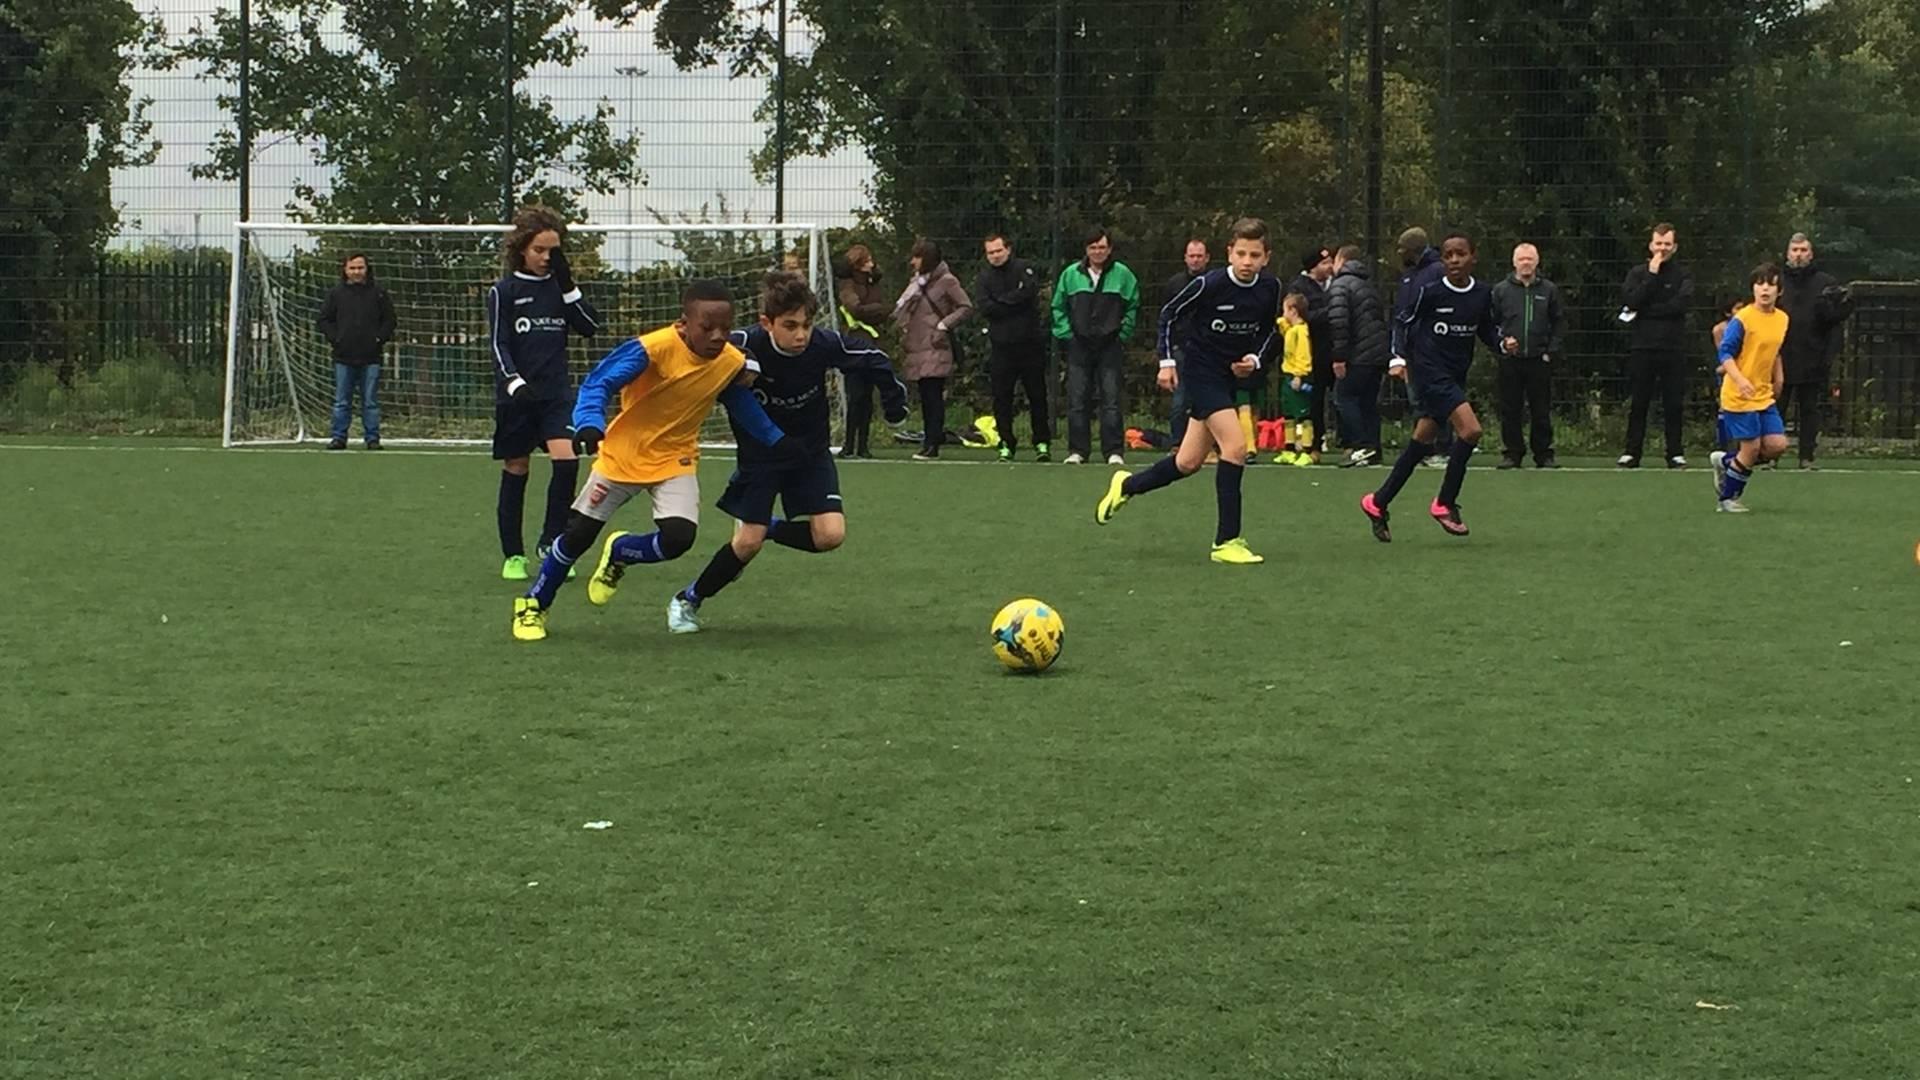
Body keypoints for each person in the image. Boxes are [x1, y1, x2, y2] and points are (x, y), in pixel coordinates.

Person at [508, 280, 798, 641]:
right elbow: (599, 382)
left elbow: (738, 402)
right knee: (577, 536)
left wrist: (776, 440)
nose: (717, 336)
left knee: (679, 538)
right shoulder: (653, 349)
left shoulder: (730, 361)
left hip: (675, 459)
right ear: (684, 323)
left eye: (725, 327)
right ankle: (534, 604)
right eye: (707, 328)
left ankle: (621, 551)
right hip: (623, 456)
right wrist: (588, 423)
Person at [666, 273, 909, 632]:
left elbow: (872, 357)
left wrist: (894, 403)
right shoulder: (741, 343)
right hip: (761, 457)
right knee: (746, 543)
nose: (800, 335)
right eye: (790, 326)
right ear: (767, 323)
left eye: (807, 325)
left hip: (810, 453)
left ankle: (772, 529)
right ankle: (688, 599)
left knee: (830, 536)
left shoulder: (823, 345)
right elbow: (689, 346)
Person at [1094, 217, 1280, 565]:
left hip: (1228, 377)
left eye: (1255, 255)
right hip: (1200, 372)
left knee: (1188, 461)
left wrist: (1254, 359)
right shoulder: (1208, 285)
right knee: (1236, 447)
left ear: (1266, 257)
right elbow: (1168, 314)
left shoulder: (1270, 288)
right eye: (1241, 253)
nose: (1247, 262)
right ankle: (1227, 541)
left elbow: (1272, 332)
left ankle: (1127, 485)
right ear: (1229, 253)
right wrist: (1166, 362)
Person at [1361, 233, 1512, 542]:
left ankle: (1378, 502)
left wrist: (1502, 344)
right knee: (1471, 431)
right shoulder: (1429, 291)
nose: (1454, 260)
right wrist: (1397, 357)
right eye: (1448, 255)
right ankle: (1444, 502)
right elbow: (1402, 322)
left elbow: (1486, 329)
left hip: (1455, 373)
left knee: (1422, 440)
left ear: (1473, 257)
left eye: (1460, 254)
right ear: (1442, 260)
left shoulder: (1482, 294)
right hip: (1429, 371)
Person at [487, 205, 601, 581]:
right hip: (518, 397)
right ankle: (513, 554)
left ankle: (551, 541)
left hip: (556, 395)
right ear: (522, 248)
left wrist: (569, 288)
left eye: (554, 251)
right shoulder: (503, 291)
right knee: (517, 467)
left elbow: (588, 326)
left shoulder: (560, 288)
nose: (547, 257)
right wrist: (513, 382)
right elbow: (498, 343)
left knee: (567, 462)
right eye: (540, 250)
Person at [1052, 227, 1141, 465]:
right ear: (1086, 249)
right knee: (1077, 399)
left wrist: (1123, 333)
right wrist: (1067, 335)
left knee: (1111, 399)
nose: (1098, 252)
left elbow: (1133, 305)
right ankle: (1078, 451)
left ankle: (1113, 451)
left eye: (1102, 247)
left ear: (1109, 248)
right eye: (1093, 247)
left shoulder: (1123, 274)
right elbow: (1058, 306)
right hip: (1078, 345)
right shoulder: (1070, 274)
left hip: (1110, 345)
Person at [1709, 265, 1791, 512]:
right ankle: (1727, 498)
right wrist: (1740, 379)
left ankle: (1726, 463)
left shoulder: (1782, 319)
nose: (1765, 288)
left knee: (1777, 445)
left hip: (1763, 395)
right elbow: (1725, 353)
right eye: (1760, 283)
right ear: (1753, 289)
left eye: (1771, 284)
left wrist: (1778, 379)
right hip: (1739, 395)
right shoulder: (1742, 319)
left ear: (1779, 291)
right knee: (1751, 448)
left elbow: (1772, 353)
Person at [1617, 222, 1695, 469]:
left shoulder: (1683, 275)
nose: (1662, 248)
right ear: (1651, 245)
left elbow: (1680, 306)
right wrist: (1651, 276)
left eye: (1667, 244)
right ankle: (1632, 452)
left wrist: (1648, 310)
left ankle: (1675, 453)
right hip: (1643, 347)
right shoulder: (1638, 273)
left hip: (1673, 348)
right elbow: (1631, 300)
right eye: (1658, 244)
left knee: (1673, 403)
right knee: (1639, 402)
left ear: (1675, 246)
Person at [1776, 232, 1855, 469]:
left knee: (1810, 409)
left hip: (1814, 355)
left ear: (1811, 253)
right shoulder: (1776, 280)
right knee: (1776, 409)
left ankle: (1806, 457)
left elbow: (1835, 318)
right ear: (1787, 253)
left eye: (1803, 250)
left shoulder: (1825, 282)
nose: (1799, 255)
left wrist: (1845, 304)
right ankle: (1771, 456)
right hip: (1781, 357)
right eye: (1795, 250)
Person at [892, 238, 974, 460]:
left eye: (917, 257)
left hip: (935, 347)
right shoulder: (917, 283)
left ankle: (932, 444)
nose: (913, 262)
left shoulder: (947, 281)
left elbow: (965, 307)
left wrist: (943, 325)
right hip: (916, 347)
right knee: (926, 397)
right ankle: (930, 440)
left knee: (933, 396)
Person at [975, 234, 1053, 461]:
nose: (995, 256)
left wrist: (1002, 301)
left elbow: (1027, 295)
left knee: (1037, 396)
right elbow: (985, 307)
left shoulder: (1023, 268)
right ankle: (1006, 443)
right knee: (1002, 398)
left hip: (1030, 345)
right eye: (990, 252)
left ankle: (1041, 442)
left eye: (998, 251)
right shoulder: (984, 278)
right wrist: (1010, 302)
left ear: (1008, 249)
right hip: (1001, 348)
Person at [1489, 242, 1566, 469]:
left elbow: (1559, 322)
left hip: (1539, 358)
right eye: (1521, 259)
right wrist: (1502, 343)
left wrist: (1550, 351)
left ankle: (1544, 454)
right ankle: (1512, 453)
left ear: (1537, 262)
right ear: (1514, 262)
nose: (1525, 263)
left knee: (1540, 408)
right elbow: (1491, 323)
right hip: (1510, 360)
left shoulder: (1548, 290)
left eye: (1529, 259)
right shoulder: (1500, 290)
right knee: (1510, 408)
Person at [316, 252, 395, 450]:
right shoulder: (336, 294)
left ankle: (372, 439)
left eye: (360, 268)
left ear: (367, 269)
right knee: (342, 401)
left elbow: (390, 320)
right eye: (352, 268)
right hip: (343, 357)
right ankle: (339, 437)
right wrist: (336, 339)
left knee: (370, 402)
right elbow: (323, 320)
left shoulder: (379, 293)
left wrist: (378, 339)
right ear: (345, 270)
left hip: (371, 357)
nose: (356, 272)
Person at [1391, 228, 1452, 464]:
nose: (1399, 253)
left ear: (1413, 249)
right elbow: (1401, 314)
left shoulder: (1436, 271)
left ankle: (1442, 449)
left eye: (1402, 248)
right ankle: (1424, 450)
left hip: (1433, 349)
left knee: (1436, 400)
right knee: (1418, 402)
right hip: (1413, 351)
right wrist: (1399, 352)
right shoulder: (1409, 276)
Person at [1326, 245, 1388, 468]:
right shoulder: (1368, 285)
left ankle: (1361, 445)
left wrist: (1339, 356)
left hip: (1357, 355)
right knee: (1369, 402)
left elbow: (1339, 322)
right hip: (1377, 353)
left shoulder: (1341, 285)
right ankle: (1373, 448)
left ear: (1340, 260)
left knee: (1344, 397)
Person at [833, 244, 895, 459]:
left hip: (873, 345)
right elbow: (856, 310)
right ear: (858, 264)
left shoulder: (874, 282)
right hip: (853, 346)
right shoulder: (847, 285)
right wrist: (884, 310)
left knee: (867, 396)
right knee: (855, 395)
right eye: (867, 260)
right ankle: (849, 444)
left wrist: (879, 312)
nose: (872, 263)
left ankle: (863, 445)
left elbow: (871, 310)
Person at [1284, 246, 1336, 461]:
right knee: (1310, 401)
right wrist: (1331, 311)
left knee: (1335, 397)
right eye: (1324, 263)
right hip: (1309, 354)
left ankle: (1332, 439)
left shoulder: (1335, 284)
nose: (1330, 266)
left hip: (1331, 350)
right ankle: (1308, 445)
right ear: (1313, 267)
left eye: (1330, 261)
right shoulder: (1299, 287)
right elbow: (1304, 318)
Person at [1160, 239, 1210, 445]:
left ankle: (1208, 446)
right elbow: (1166, 317)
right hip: (1181, 349)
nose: (1196, 260)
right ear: (1185, 258)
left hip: (1209, 351)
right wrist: (1167, 354)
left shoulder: (1215, 282)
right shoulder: (1174, 284)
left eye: (1199, 256)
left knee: (1209, 400)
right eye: (1192, 256)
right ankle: (1177, 445)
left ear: (1207, 258)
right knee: (1180, 401)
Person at [1275, 292, 1313, 466]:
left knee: (1304, 415)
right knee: (1289, 414)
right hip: (1288, 375)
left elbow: (1303, 355)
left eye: (1285, 309)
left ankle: (1306, 450)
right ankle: (1289, 449)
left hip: (1298, 376)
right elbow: (1281, 326)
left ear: (1293, 311)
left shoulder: (1301, 331)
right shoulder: (1290, 329)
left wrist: (1299, 375)